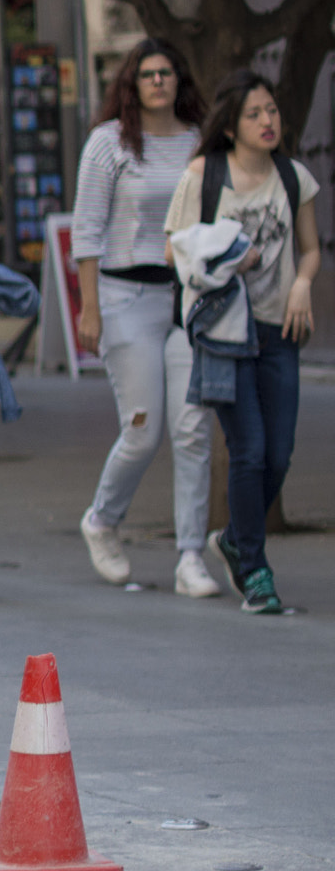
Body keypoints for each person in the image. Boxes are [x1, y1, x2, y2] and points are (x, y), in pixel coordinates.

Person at [165, 70, 320, 615]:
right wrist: (228, 252)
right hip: (225, 334)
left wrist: (303, 282)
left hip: (280, 330)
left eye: (272, 111)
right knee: (249, 451)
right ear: (230, 126)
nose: (267, 121)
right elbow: (173, 252)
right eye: (255, 114)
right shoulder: (204, 176)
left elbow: (310, 248)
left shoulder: (293, 176)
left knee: (278, 453)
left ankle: (233, 538)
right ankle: (254, 570)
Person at [71, 41, 218, 597]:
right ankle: (102, 521)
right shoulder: (108, 143)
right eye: (147, 74)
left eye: (167, 72)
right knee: (143, 427)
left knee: (192, 428)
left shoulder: (200, 141)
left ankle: (190, 557)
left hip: (186, 297)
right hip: (123, 297)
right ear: (131, 84)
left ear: (180, 80)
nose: (159, 81)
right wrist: (89, 308)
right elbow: (86, 229)